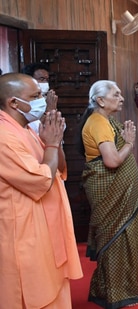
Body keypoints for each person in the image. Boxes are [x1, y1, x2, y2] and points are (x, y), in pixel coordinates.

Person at [0, 73, 82, 308]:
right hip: (25, 234)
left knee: (55, 287)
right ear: (13, 102)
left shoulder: (25, 129)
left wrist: (55, 141)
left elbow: (60, 168)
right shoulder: (4, 137)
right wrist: (53, 144)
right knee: (34, 295)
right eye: (35, 96)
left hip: (46, 227)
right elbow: (42, 180)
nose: (42, 102)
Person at [76, 80, 138, 308]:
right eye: (116, 94)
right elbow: (112, 160)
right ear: (100, 100)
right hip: (109, 192)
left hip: (122, 195)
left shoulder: (105, 120)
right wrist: (129, 144)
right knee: (117, 240)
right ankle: (117, 293)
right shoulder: (97, 122)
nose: (122, 98)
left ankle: (118, 286)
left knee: (128, 238)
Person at [21, 62, 59, 133]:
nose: (45, 83)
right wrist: (48, 111)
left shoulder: (47, 99)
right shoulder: (22, 101)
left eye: (47, 80)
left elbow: (60, 126)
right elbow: (32, 129)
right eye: (42, 79)